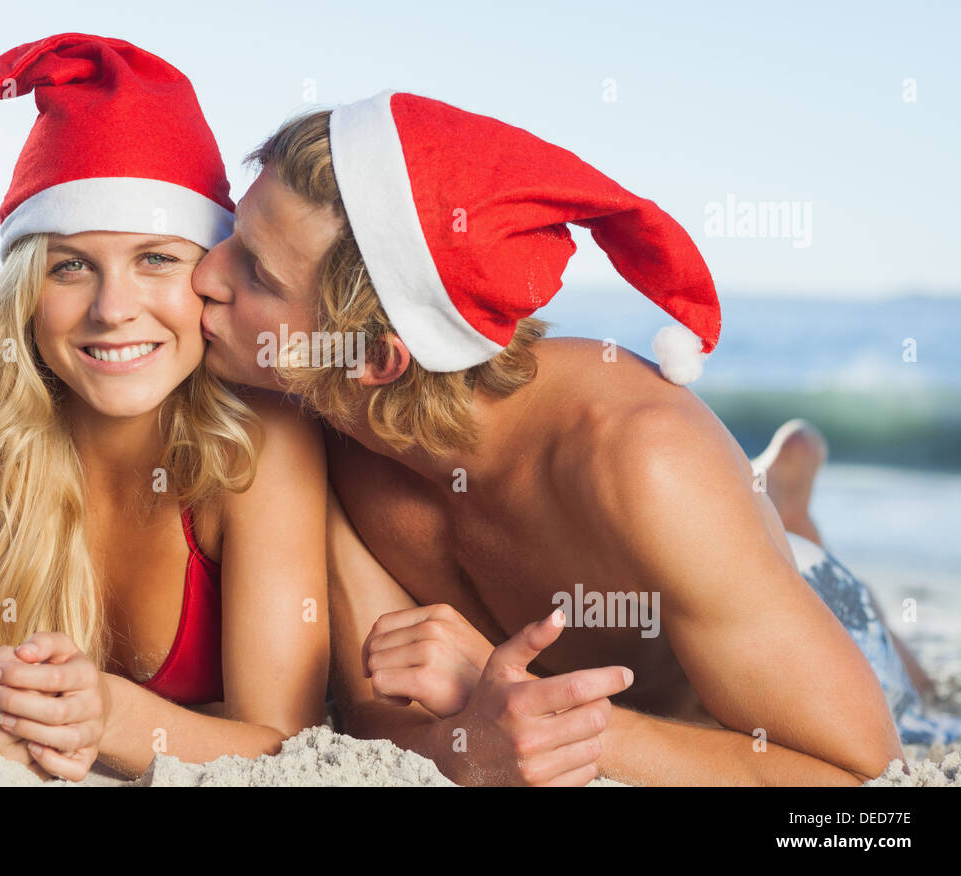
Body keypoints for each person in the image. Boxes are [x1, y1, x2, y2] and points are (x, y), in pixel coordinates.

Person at [189, 92, 952, 785]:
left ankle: (792, 520)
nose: (204, 274)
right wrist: (473, 737)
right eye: (233, 234)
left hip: (803, 645)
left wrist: (537, 714)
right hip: (712, 583)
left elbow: (859, 780)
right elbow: (379, 714)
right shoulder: (332, 434)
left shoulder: (643, 460)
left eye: (254, 271)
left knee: (905, 681)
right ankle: (781, 504)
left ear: (374, 359)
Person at [0, 34, 342, 782]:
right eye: (71, 266)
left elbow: (284, 743)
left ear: (212, 269)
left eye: (156, 259)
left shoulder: (260, 441)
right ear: (27, 287)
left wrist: (114, 718)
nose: (112, 309)